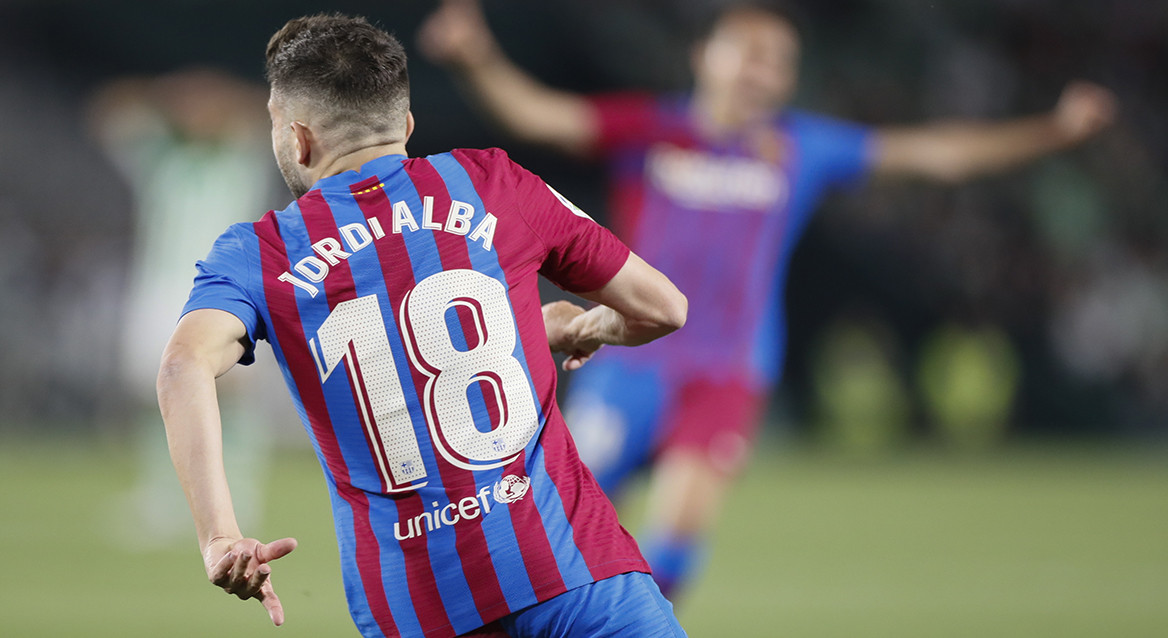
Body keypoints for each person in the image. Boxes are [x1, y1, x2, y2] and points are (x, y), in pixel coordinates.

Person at [419, 0, 1118, 597]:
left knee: (674, 543)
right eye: (748, 53)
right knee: (557, 529)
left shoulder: (799, 147)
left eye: (778, 60)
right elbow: (539, 117)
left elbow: (937, 154)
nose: (763, 71)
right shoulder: (651, 131)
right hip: (628, 361)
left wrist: (1054, 131)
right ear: (704, 57)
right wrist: (476, 57)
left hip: (727, 370)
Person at [157, 13, 689, 638]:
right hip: (577, 576)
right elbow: (663, 308)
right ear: (406, 124)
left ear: (297, 138)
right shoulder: (494, 182)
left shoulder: (262, 252)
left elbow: (182, 366)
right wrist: (585, 328)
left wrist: (220, 536)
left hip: (419, 610)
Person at [90, 69, 285, 547]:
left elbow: (272, 112)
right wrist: (169, 94)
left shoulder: (242, 156)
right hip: (158, 290)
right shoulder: (160, 156)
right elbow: (108, 109)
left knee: (234, 395)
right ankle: (165, 497)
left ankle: (242, 492)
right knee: (159, 394)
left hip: (225, 287)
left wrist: (221, 95)